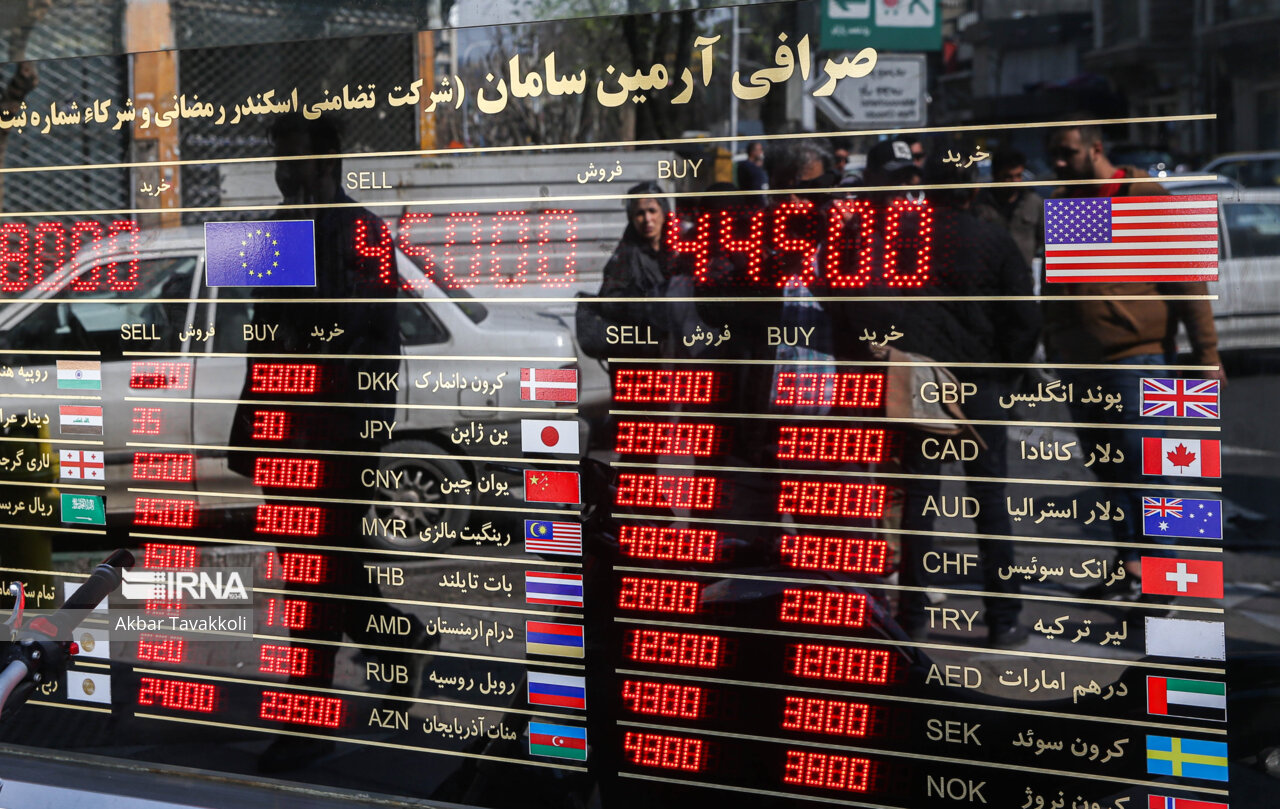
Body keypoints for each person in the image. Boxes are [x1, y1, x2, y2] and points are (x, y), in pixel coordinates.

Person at [1042, 122, 1225, 595]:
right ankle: (1132, 567)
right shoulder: (1071, 201)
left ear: (1095, 148)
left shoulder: (1145, 197)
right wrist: (1056, 346)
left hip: (1137, 358)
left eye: (1067, 152)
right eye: (1053, 154)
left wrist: (1207, 354)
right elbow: (1064, 289)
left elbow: (1189, 282)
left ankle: (1164, 583)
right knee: (1108, 470)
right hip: (1082, 364)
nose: (1058, 163)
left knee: (1147, 472)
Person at [876, 154, 1042, 648]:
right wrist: (1006, 374)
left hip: (922, 382)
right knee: (989, 501)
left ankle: (911, 616)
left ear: (926, 189)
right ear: (973, 190)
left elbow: (879, 304)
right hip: (981, 383)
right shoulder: (995, 240)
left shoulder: (904, 237)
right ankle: (1003, 618)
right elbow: (1024, 319)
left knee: (919, 501)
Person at [973, 146, 1042, 269]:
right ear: (995, 176)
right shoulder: (979, 204)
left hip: (1023, 273)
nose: (1014, 182)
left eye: (1018, 176)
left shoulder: (1034, 203)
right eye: (1008, 177)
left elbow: (1041, 238)